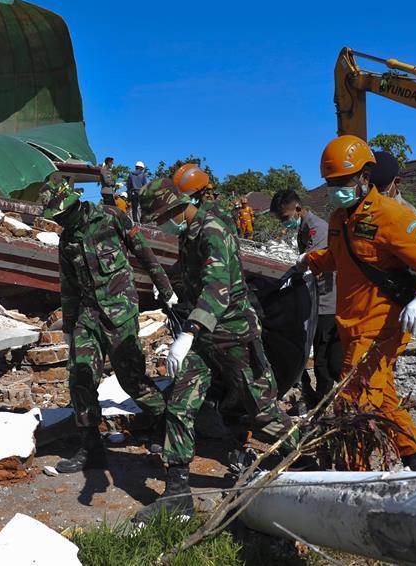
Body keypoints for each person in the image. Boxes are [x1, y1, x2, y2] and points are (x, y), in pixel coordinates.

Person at [134, 179, 297, 521]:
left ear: (178, 208)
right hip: (205, 340)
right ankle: (177, 492)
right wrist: (168, 286)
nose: (162, 224)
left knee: (262, 411)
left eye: (162, 217)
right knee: (180, 406)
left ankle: (310, 460)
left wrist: (189, 332)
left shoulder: (213, 230)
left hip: (234, 336)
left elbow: (217, 287)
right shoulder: (188, 234)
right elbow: (194, 273)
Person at [292, 135, 416, 471]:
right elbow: (339, 257)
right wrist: (310, 261)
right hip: (351, 324)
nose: (335, 189)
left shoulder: (391, 215)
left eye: (342, 182)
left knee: (354, 405)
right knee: (383, 398)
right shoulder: (340, 219)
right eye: (330, 183)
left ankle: (353, 478)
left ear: (365, 177)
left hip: (380, 329)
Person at [37, 177, 178, 473]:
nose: (59, 221)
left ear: (73, 205)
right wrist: (69, 326)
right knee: (80, 377)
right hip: (88, 315)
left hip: (120, 312)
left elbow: (145, 254)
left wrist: (166, 290)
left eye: (61, 214)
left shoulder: (111, 217)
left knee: (132, 379)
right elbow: (68, 286)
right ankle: (91, 449)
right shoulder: (67, 240)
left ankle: (164, 429)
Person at [270, 189, 342, 411]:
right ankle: (313, 397)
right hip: (316, 299)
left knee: (322, 359)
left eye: (285, 217)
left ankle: (323, 405)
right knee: (306, 352)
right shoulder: (303, 228)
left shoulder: (317, 229)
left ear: (298, 209)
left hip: (327, 301)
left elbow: (314, 264)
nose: (284, 222)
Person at [369, 150, 416, 226]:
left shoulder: (413, 220)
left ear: (396, 182)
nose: (374, 193)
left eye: (379, 189)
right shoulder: (364, 210)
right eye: (370, 188)